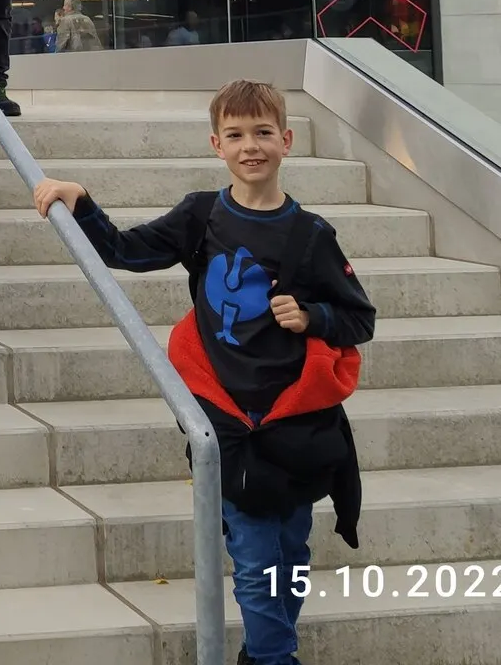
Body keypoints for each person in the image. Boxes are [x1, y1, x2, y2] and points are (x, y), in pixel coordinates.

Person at [31, 81, 375, 665]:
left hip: (296, 427)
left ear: (286, 140)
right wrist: (81, 202)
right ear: (217, 144)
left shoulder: (311, 234)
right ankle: (274, 659)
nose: (251, 146)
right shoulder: (202, 215)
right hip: (232, 428)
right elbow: (126, 251)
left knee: (291, 556)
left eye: (263, 133)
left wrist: (312, 316)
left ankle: (263, 655)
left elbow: (359, 318)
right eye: (235, 135)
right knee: (256, 561)